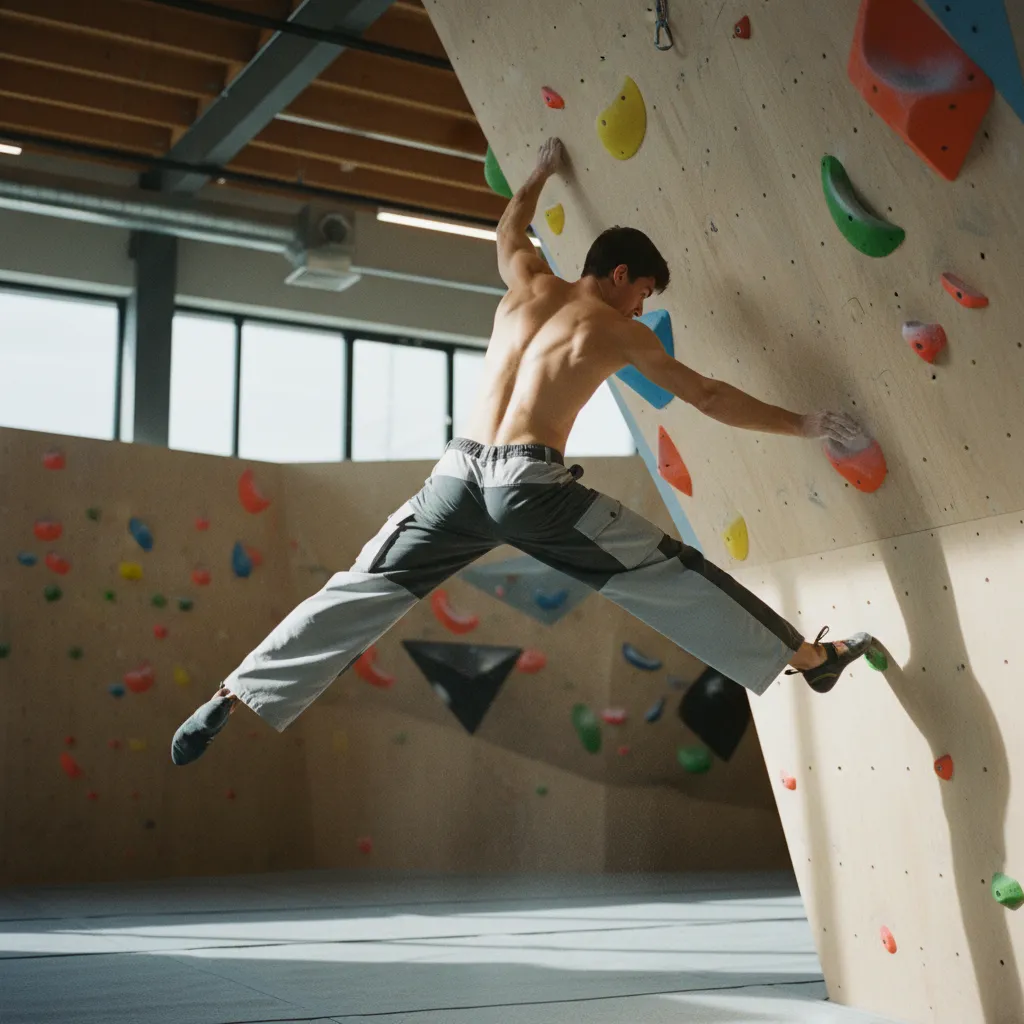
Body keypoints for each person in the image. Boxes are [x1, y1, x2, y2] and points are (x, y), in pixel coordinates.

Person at [172, 137, 873, 766]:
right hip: (528, 487)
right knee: (670, 573)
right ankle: (811, 658)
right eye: (643, 294)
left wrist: (540, 172)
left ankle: (233, 693)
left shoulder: (526, 283)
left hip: (453, 477)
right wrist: (806, 423)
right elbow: (709, 396)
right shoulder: (615, 329)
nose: (641, 310)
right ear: (620, 274)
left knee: (362, 586)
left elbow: (509, 226)